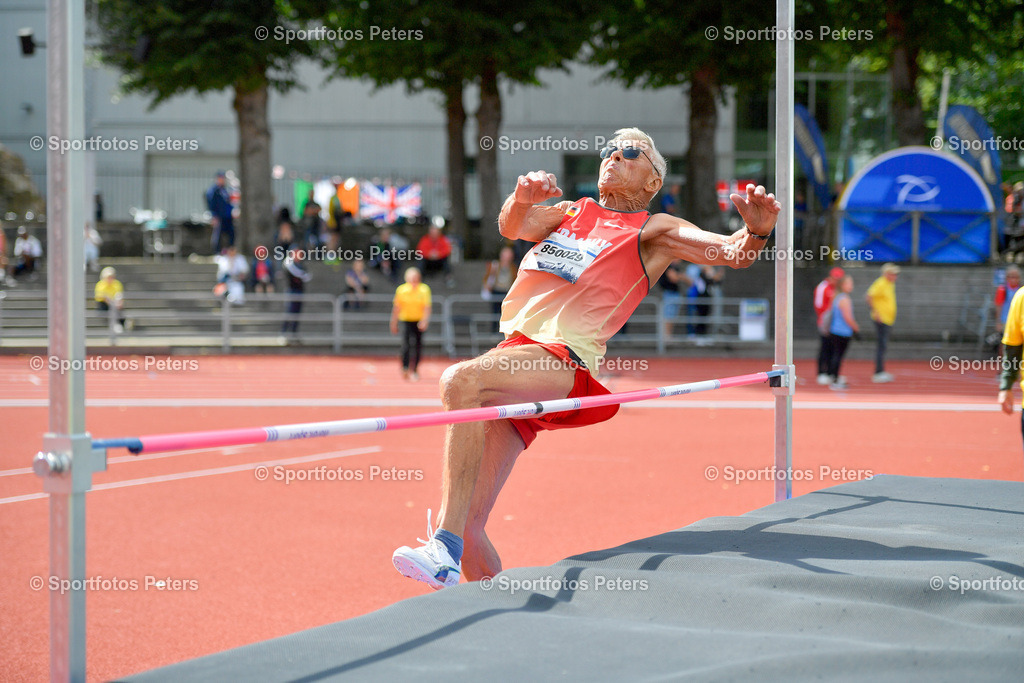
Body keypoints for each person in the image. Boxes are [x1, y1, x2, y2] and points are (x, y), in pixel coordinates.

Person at [391, 127, 779, 589]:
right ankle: (487, 594)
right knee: (472, 528)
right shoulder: (571, 212)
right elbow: (514, 227)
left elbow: (733, 253)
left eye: (630, 152)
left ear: (653, 181)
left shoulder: (654, 229)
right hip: (515, 356)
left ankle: (443, 547)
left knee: (459, 382)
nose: (614, 156)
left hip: (563, 361)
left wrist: (757, 231)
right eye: (609, 150)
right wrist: (520, 198)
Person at [390, 267, 431, 381]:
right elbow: (397, 308)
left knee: (418, 345)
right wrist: (393, 322)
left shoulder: (424, 289)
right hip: (406, 320)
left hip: (418, 320)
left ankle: (415, 369)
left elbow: (427, 307)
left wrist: (425, 320)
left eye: (415, 278)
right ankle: (405, 367)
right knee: (406, 345)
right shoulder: (401, 290)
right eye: (412, 278)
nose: (414, 280)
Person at [821, 274, 859, 390]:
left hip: (835, 330)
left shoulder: (837, 297)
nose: (851, 285)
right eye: (849, 283)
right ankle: (835, 379)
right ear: (843, 285)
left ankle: (833, 376)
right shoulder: (844, 299)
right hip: (842, 332)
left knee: (835, 355)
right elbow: (848, 317)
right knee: (838, 356)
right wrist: (856, 328)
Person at [866, 263, 899, 383]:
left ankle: (880, 371)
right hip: (882, 319)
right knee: (881, 346)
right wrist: (876, 312)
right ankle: (878, 372)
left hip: (888, 319)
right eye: (893, 274)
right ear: (887, 274)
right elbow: (869, 296)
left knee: (883, 346)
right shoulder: (881, 283)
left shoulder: (890, 284)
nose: (895, 276)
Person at [814, 267, 845, 385]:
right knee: (825, 348)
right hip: (826, 322)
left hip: (835, 324)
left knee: (833, 348)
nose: (837, 281)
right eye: (836, 278)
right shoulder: (823, 287)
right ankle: (821, 373)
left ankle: (830, 372)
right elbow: (819, 306)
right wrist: (825, 321)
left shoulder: (837, 288)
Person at [481, 245, 517, 330]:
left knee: (506, 313)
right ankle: (494, 329)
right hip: (496, 290)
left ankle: (504, 330)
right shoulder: (495, 265)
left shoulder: (513, 267)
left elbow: (515, 278)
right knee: (495, 311)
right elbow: (487, 277)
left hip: (507, 291)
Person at [281, 250, 311, 339]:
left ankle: (294, 333)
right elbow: (297, 274)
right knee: (289, 312)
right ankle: (283, 332)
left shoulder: (301, 265)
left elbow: (307, 276)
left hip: (300, 291)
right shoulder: (289, 264)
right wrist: (301, 275)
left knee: (297, 313)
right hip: (292, 291)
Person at [206, 171, 235, 254]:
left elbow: (229, 203)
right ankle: (217, 252)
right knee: (218, 235)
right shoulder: (213, 191)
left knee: (231, 234)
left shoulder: (225, 190)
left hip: (227, 216)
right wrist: (214, 215)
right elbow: (211, 204)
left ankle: (230, 250)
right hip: (219, 216)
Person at [994, 266, 1021, 350]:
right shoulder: (1002, 289)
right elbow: (999, 306)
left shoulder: (1021, 289)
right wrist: (998, 322)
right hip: (1005, 321)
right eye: (1011, 277)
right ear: (1007, 278)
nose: (1013, 279)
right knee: (1004, 343)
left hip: (1019, 322)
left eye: (1015, 277)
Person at [94, 266, 128, 333]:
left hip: (114, 303)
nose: (110, 278)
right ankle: (116, 324)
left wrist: (118, 303)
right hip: (104, 304)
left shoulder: (117, 284)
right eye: (108, 277)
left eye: (111, 277)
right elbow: (102, 298)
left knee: (119, 309)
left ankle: (121, 324)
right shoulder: (100, 285)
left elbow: (119, 295)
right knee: (110, 310)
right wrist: (113, 304)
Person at [658, 259, 685, 338]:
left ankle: (668, 335)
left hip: (673, 293)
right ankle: (666, 336)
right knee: (668, 316)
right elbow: (674, 278)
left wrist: (679, 276)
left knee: (672, 316)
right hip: (669, 294)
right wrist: (682, 276)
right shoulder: (668, 266)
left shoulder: (675, 267)